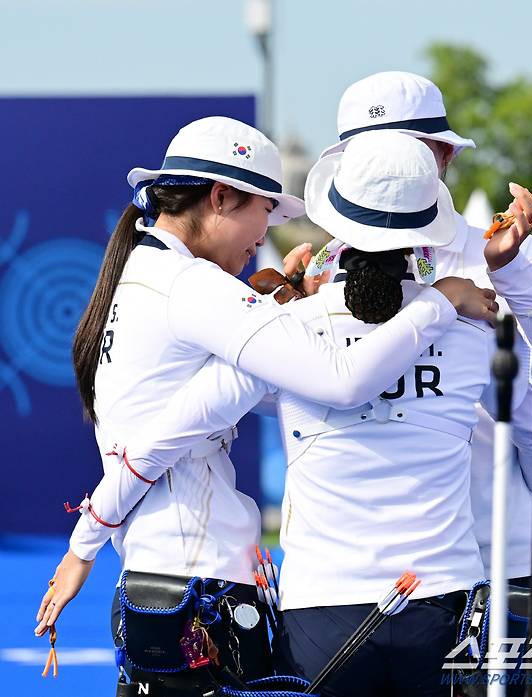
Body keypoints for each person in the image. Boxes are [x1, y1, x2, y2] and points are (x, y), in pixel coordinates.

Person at [35, 117, 495, 691]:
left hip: (166, 581)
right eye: (265, 213)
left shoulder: (143, 274)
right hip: (203, 592)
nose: (266, 236)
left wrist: (282, 304)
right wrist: (440, 302)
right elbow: (340, 378)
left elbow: (185, 413)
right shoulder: (194, 287)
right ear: (222, 196)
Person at [270, 130, 532, 697]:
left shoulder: (285, 330)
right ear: (428, 232)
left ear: (337, 226)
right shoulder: (477, 329)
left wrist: (279, 300)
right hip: (443, 601)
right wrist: (443, 301)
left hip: (321, 611)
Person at [318, 70, 532, 634]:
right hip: (364, 567)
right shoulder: (327, 267)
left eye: (406, 150)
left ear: (443, 155)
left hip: (498, 552)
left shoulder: (505, 250)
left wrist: (509, 271)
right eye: (370, 152)